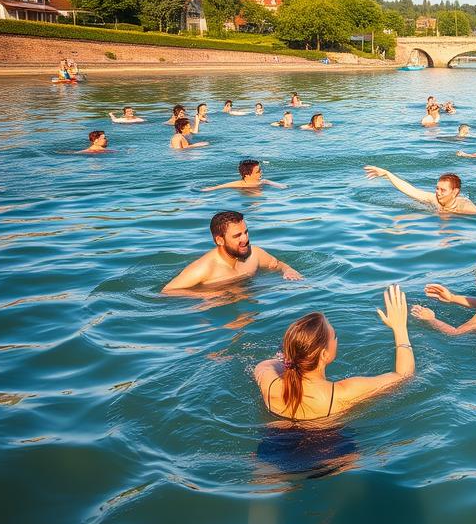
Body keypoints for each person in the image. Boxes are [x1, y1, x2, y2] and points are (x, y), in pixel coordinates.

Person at [254, 285, 415, 422]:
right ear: (324, 355)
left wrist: (289, 359)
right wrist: (400, 328)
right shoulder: (342, 393)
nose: (337, 339)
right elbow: (404, 376)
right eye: (335, 336)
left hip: (274, 447)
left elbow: (264, 365)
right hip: (327, 449)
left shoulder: (270, 384)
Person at [163, 210, 301, 291]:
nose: (245, 239)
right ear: (220, 240)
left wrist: (288, 269)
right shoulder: (204, 268)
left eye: (246, 232)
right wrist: (208, 295)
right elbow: (168, 292)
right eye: (237, 236)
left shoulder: (254, 254)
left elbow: (277, 264)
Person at [363, 167, 476, 214]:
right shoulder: (434, 199)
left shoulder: (467, 208)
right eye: (437, 188)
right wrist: (387, 174)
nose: (438, 193)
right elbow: (411, 190)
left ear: (455, 192)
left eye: (443, 190)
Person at [202, 159, 287, 191]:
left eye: (260, 170)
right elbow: (215, 188)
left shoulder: (263, 181)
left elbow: (284, 187)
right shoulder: (238, 184)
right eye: (258, 171)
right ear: (247, 175)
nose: (261, 172)